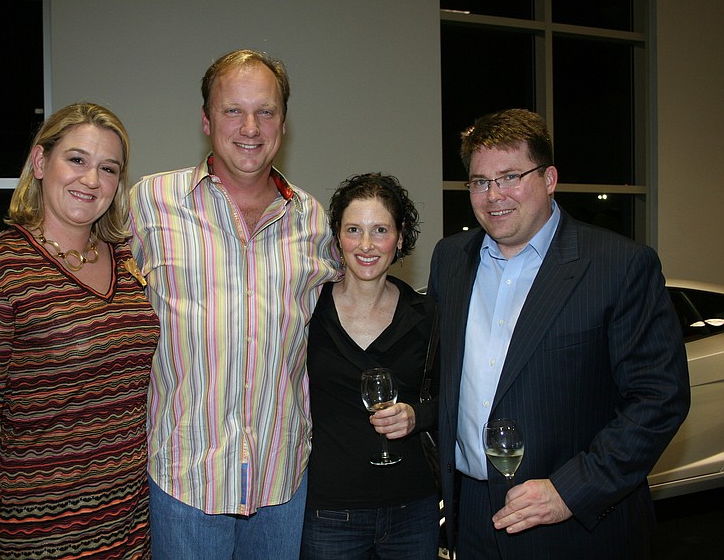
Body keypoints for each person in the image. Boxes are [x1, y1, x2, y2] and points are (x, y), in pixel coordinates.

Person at [426, 108, 690, 559]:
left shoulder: (617, 265)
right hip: (471, 521)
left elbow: (659, 398)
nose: (493, 195)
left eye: (510, 177)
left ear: (549, 179)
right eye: (480, 182)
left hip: (576, 527)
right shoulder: (450, 259)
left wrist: (571, 490)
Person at [128, 49, 340, 559]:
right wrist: (10, 344)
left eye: (265, 111)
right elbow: (85, 278)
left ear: (283, 124)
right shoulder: (150, 203)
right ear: (206, 120)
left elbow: (353, 310)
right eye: (232, 110)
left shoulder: (312, 220)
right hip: (185, 481)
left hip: (281, 480)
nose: (250, 127)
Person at [0, 103, 160, 559]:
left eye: (108, 168)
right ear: (41, 162)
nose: (91, 180)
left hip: (131, 529)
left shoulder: (126, 260)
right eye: (76, 159)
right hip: (42, 535)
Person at [299, 173, 440, 559]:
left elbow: (457, 399)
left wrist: (418, 415)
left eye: (380, 230)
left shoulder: (428, 315)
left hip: (414, 508)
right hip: (328, 511)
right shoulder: (306, 312)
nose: (366, 245)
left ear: (400, 236)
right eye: (353, 230)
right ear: (337, 237)